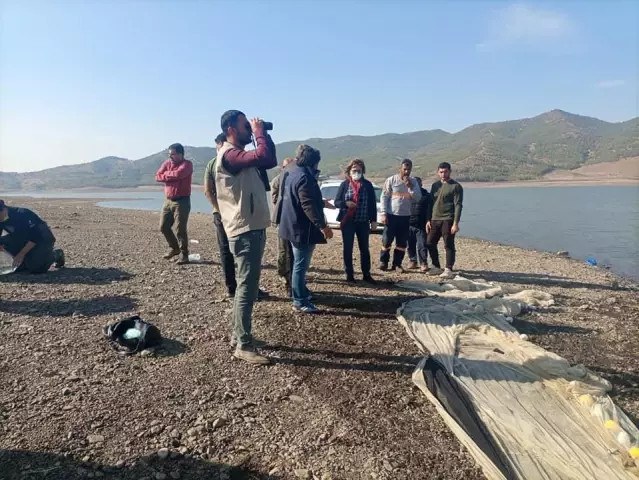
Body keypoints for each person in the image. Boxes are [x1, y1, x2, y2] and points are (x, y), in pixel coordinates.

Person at [215, 110, 277, 365]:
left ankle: (238, 334)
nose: (249, 130)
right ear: (231, 127)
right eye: (245, 125)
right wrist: (259, 133)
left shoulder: (240, 156)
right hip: (244, 229)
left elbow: (268, 159)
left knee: (246, 286)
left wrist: (264, 135)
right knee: (247, 288)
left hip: (251, 227)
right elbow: (261, 154)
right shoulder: (230, 155)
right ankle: (243, 344)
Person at [204, 133, 269, 300]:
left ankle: (238, 288)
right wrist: (219, 208)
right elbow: (208, 190)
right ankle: (237, 289)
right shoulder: (219, 161)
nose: (219, 148)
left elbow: (208, 190)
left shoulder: (217, 161)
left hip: (226, 212)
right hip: (229, 213)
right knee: (231, 251)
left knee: (231, 251)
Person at [278, 144, 333, 313]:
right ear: (313, 163)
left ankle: (301, 294)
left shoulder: (291, 173)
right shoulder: (305, 178)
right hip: (301, 229)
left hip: (289, 225)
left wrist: (321, 202)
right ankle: (299, 301)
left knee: (297, 264)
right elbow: (307, 205)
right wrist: (323, 226)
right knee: (300, 265)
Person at [333, 158, 377, 283]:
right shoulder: (345, 184)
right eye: (354, 170)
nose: (356, 172)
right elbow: (337, 202)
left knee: (364, 248)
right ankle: (349, 274)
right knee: (348, 248)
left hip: (363, 221)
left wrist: (373, 220)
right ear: (349, 171)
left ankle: (366, 274)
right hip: (348, 222)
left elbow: (372, 204)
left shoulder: (367, 185)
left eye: (359, 170)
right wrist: (346, 203)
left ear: (362, 171)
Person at [0, 199, 65, 273]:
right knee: (22, 268)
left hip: (42, 238)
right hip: (21, 238)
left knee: (36, 269)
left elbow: (35, 237)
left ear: (3, 209)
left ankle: (55, 254)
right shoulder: (1, 218)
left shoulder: (22, 214)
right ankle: (25, 260)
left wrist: (21, 254)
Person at [379, 159, 421, 271]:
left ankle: (397, 264)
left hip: (405, 216)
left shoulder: (414, 182)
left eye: (409, 169)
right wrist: (383, 213)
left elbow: (418, 197)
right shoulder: (391, 180)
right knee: (386, 240)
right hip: (391, 215)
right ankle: (383, 262)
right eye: (404, 169)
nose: (406, 172)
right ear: (400, 169)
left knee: (401, 243)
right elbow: (384, 197)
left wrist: (410, 186)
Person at [156, 143, 193, 265]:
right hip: (168, 200)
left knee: (180, 229)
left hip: (182, 201)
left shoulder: (187, 164)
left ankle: (184, 254)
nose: (170, 157)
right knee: (163, 226)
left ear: (181, 154)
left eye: (173, 154)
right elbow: (157, 176)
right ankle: (174, 248)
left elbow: (179, 174)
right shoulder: (167, 164)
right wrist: (170, 175)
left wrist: (166, 175)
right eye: (169, 154)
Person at [427, 162, 463, 279]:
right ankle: (436, 266)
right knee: (429, 242)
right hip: (434, 219)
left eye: (445, 171)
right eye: (441, 172)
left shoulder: (456, 186)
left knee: (448, 244)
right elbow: (431, 203)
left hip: (448, 219)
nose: (443, 174)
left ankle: (448, 269)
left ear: (450, 171)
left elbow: (458, 205)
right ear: (438, 172)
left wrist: (455, 223)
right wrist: (428, 219)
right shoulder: (435, 186)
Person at [270, 157, 294, 295]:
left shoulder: (293, 178)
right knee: (283, 249)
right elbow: (275, 200)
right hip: (281, 220)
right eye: (287, 167)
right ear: (282, 168)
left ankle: (290, 274)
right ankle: (282, 272)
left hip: (290, 220)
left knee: (290, 250)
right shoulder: (277, 181)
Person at [407, 177, 432, 272]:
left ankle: (423, 263)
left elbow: (429, 209)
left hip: (421, 224)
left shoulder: (426, 195)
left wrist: (428, 221)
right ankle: (412, 261)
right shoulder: (407, 193)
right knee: (410, 244)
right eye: (415, 184)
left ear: (421, 184)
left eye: (418, 184)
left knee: (422, 245)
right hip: (409, 223)